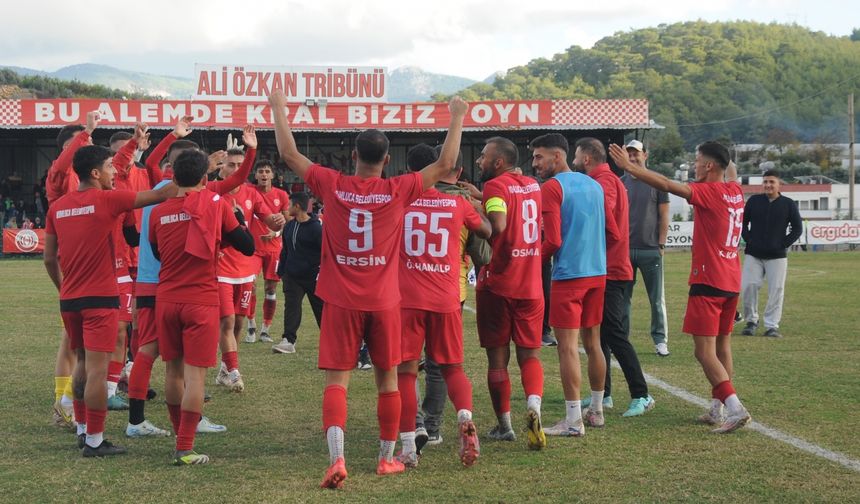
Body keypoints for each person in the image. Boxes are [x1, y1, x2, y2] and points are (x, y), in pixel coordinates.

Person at [269, 89, 468, 488]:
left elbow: (290, 155)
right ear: (386, 159)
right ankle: (385, 460)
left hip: (341, 300)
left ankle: (337, 459)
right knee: (388, 380)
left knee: (337, 382)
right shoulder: (399, 189)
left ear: (354, 157)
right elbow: (446, 163)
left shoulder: (331, 183)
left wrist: (278, 109)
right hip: (385, 301)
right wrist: (456, 115)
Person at [43, 142, 177, 457]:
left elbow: (49, 259)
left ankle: (81, 429)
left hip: (71, 299)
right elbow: (159, 194)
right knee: (98, 372)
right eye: (108, 166)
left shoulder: (58, 207)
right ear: (94, 172)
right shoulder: (109, 200)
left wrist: (63, 287)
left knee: (82, 363)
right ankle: (94, 441)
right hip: (101, 298)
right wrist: (197, 173)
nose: (113, 171)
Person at [609, 141, 752, 434]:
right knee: (722, 345)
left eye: (698, 160)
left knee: (703, 352)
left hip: (708, 280)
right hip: (730, 280)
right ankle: (717, 407)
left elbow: (664, 183)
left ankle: (735, 407)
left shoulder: (708, 192)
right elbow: (730, 170)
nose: (694, 165)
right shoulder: (735, 190)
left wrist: (629, 167)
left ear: (710, 166)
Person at [126, 117, 248, 438]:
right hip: (178, 288)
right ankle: (143, 422)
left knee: (160, 357)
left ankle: (149, 420)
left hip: (155, 283)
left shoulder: (159, 191)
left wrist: (172, 136)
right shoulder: (187, 194)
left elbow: (151, 160)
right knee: (159, 356)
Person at [149, 149, 255, 465]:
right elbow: (247, 246)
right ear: (206, 178)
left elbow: (158, 254)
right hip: (201, 300)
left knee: (172, 371)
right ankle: (184, 447)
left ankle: (177, 433)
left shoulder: (157, 212)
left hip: (166, 299)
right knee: (196, 377)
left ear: (173, 177)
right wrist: (235, 220)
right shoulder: (216, 205)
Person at [395, 143, 491, 468]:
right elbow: (490, 231)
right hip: (447, 296)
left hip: (407, 298)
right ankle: (464, 417)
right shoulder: (457, 204)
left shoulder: (398, 201)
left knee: (406, 372)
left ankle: (409, 446)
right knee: (452, 368)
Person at [533, 134, 608, 436]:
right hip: (597, 273)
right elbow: (611, 229)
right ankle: (597, 411)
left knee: (567, 347)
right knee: (593, 344)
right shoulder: (594, 184)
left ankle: (573, 420)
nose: (535, 163)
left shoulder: (552, 187)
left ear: (557, 156)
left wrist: (529, 259)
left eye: (539, 157)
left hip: (569, 275)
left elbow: (553, 240)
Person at [475, 136, 547, 450]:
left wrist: (471, 213)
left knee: (497, 360)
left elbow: (499, 224)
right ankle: (534, 405)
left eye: (483, 156)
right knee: (529, 355)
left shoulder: (495, 186)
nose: (479, 161)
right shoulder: (532, 185)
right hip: (531, 284)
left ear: (498, 162)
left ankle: (504, 425)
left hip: (500, 284)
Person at [579, 137, 656, 419]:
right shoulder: (606, 180)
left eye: (577, 155)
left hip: (613, 268)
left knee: (614, 333)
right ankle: (605, 393)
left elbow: (605, 216)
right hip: (605, 267)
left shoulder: (605, 182)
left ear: (586, 158)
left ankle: (642, 394)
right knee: (599, 334)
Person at [214, 146, 285, 392]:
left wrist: (278, 220)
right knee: (227, 321)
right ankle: (234, 371)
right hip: (220, 267)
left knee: (238, 323)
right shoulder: (212, 192)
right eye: (230, 165)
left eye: (238, 165)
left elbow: (268, 217)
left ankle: (225, 368)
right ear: (221, 167)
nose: (235, 169)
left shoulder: (251, 194)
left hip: (245, 267)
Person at [46, 112, 98, 430]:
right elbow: (62, 165)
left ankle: (67, 402)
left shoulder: (90, 182)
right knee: (72, 339)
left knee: (78, 338)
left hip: (93, 261)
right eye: (79, 144)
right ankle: (64, 404)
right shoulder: (58, 177)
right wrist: (84, 133)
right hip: (73, 263)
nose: (85, 147)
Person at [621, 140, 671, 356]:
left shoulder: (658, 182)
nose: (633, 158)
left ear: (645, 156)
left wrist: (661, 243)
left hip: (651, 249)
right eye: (629, 155)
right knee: (623, 299)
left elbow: (664, 215)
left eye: (636, 155)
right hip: (625, 251)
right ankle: (621, 340)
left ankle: (660, 340)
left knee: (656, 299)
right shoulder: (620, 182)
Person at [740, 169, 802, 338]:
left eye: (771, 182)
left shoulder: (788, 204)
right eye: (765, 182)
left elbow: (798, 229)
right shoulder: (754, 201)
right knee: (748, 287)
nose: (768, 185)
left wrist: (782, 244)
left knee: (776, 290)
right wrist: (749, 240)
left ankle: (771, 326)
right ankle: (751, 321)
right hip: (754, 253)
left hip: (777, 256)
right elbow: (743, 224)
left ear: (779, 184)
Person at [272, 191, 323, 354]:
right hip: (292, 277)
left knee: (322, 309)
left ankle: (330, 339)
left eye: (289, 205)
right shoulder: (289, 226)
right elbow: (285, 250)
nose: (287, 208)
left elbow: (325, 253)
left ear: (297, 206)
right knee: (291, 307)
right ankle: (288, 340)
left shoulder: (316, 228)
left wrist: (321, 273)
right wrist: (282, 271)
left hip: (313, 277)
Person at [245, 160, 290, 344]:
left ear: (272, 175)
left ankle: (266, 329)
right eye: (260, 171)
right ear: (255, 175)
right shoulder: (249, 192)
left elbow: (287, 222)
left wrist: (276, 232)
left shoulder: (281, 195)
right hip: (252, 248)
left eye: (267, 171)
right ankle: (251, 326)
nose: (264, 175)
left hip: (273, 249)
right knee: (251, 286)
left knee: (271, 289)